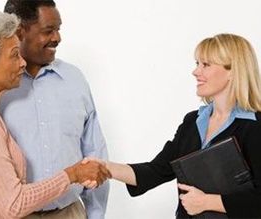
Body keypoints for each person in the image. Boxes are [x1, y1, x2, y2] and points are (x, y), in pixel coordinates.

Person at [0, 0, 110, 218]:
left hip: (68, 211)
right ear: (20, 31)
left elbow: (95, 153)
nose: (57, 38)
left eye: (58, 29)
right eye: (48, 30)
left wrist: (95, 214)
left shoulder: (74, 80)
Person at [88, 33, 261, 218]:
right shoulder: (193, 122)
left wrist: (208, 202)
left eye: (206, 65)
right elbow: (156, 171)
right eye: (197, 64)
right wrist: (105, 167)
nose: (196, 72)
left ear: (233, 71)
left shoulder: (254, 127)